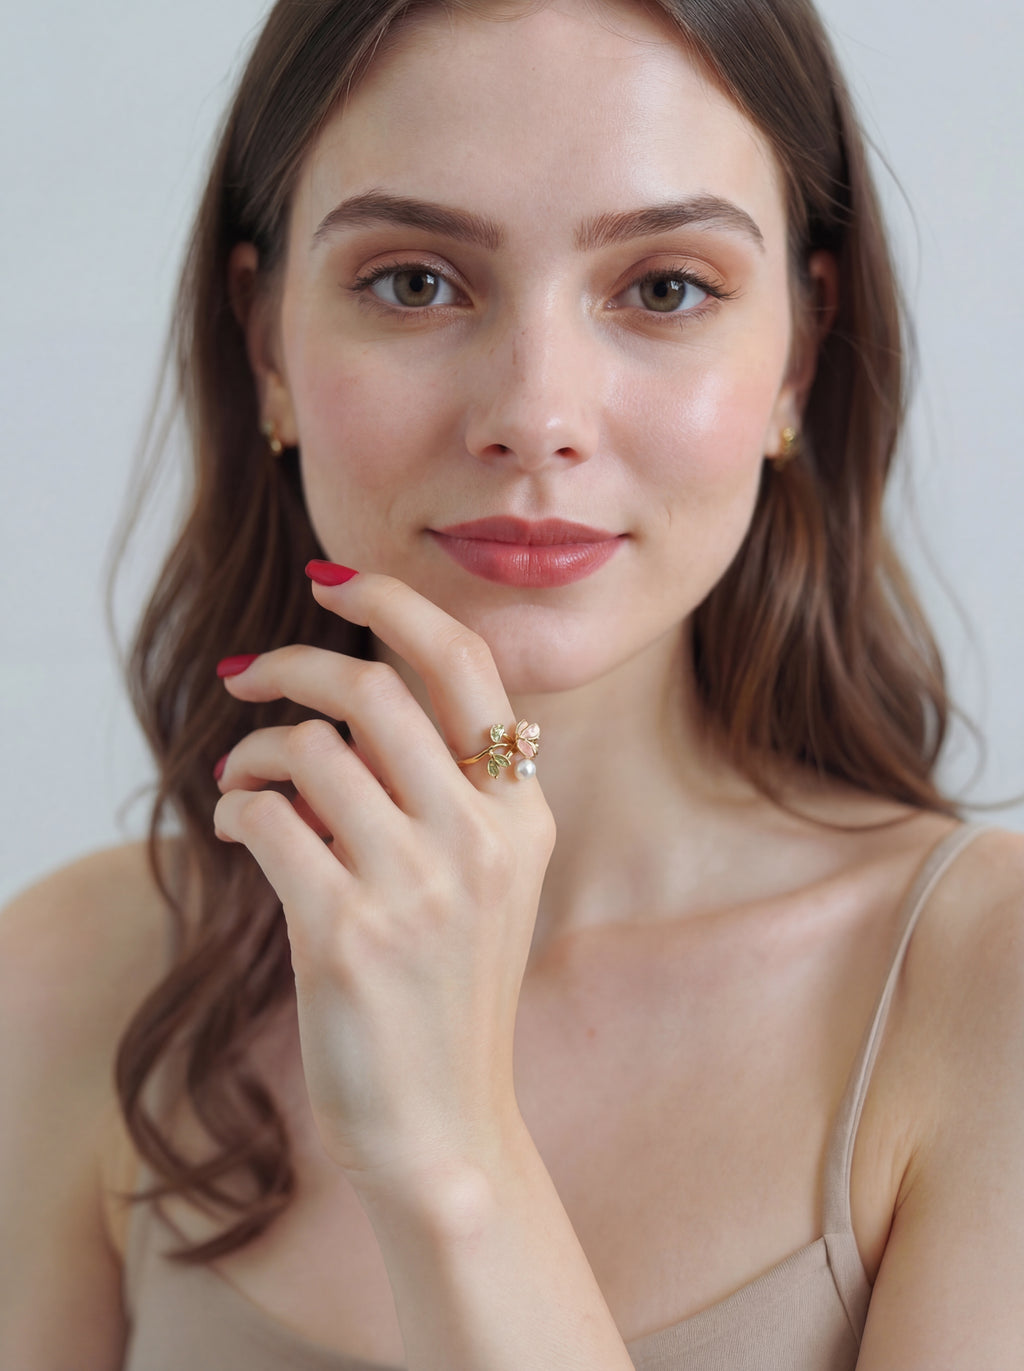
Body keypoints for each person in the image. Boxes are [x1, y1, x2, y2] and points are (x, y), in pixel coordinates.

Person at [2, 0, 1022, 1366]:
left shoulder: (985, 994)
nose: (536, 414)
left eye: (664, 287)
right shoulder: (74, 978)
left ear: (797, 351)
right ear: (264, 344)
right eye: (415, 280)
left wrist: (451, 1159)